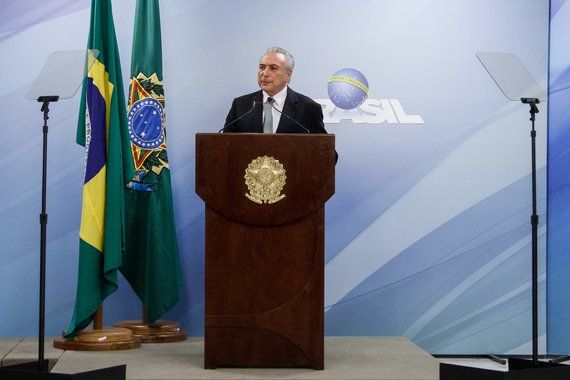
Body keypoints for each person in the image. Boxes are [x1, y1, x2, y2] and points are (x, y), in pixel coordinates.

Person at [223, 47, 329, 135]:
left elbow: (326, 153)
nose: (265, 73)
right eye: (262, 67)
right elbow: (224, 146)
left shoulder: (308, 108)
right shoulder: (240, 105)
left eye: (273, 68)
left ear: (288, 73)